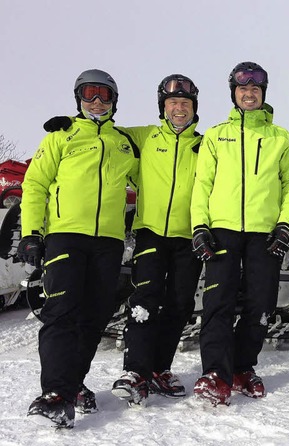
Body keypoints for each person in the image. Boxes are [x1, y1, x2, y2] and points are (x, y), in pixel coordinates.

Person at [19, 69, 139, 428]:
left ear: (114, 101)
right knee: (61, 312)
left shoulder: (125, 143)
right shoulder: (62, 136)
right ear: (78, 99)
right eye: (90, 94)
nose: (97, 101)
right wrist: (31, 233)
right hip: (65, 235)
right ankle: (55, 393)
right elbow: (35, 184)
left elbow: (165, 153)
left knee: (95, 316)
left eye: (104, 95)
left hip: (108, 241)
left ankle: (72, 386)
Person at [190, 61, 289, 406]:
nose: (249, 94)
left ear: (263, 94)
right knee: (217, 303)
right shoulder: (215, 135)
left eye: (255, 89)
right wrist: (200, 226)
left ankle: (242, 368)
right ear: (234, 93)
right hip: (222, 230)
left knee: (261, 303)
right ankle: (215, 373)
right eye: (243, 89)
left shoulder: (279, 137)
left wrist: (285, 225)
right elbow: (202, 184)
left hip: (264, 233)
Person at [109, 74, 203, 406]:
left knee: (180, 305)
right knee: (145, 300)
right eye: (173, 103)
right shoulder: (145, 137)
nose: (179, 109)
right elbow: (106, 132)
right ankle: (135, 371)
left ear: (194, 108)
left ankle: (160, 368)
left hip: (188, 236)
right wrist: (71, 126)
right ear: (163, 107)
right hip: (151, 232)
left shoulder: (203, 145)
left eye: (186, 103)